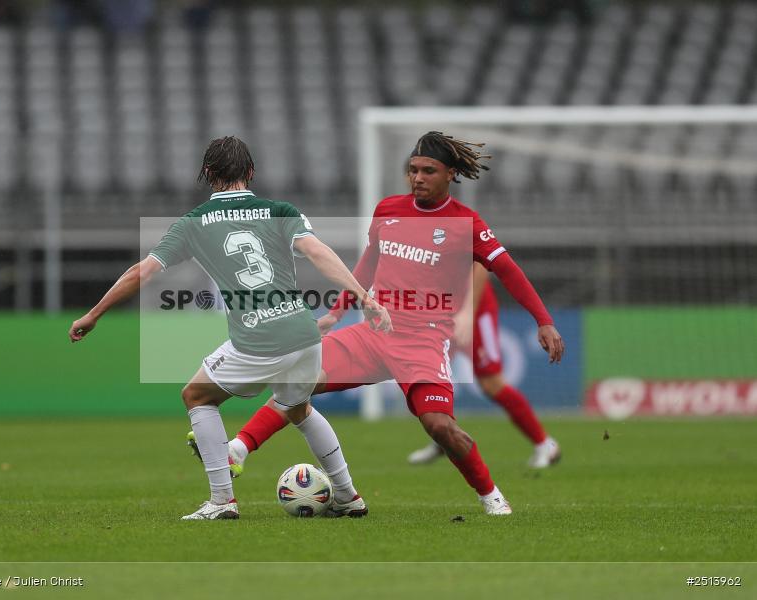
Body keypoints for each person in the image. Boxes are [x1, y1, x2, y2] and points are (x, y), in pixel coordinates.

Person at [211, 131, 565, 517]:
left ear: (450, 174)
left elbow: (507, 270)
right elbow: (368, 265)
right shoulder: (388, 210)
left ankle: (491, 495)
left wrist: (543, 321)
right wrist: (336, 313)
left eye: (428, 171)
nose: (418, 178)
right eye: (413, 170)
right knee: (297, 379)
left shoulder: (466, 223)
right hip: (374, 333)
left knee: (439, 426)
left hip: (423, 341)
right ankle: (238, 449)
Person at [69, 136, 391, 520]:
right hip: (305, 334)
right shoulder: (280, 210)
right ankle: (348, 495)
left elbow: (142, 272)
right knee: (298, 409)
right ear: (250, 172)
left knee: (196, 396)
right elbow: (318, 253)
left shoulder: (192, 224)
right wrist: (364, 297)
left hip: (259, 338)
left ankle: (222, 500)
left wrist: (94, 314)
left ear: (207, 173)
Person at [407, 262, 561, 467]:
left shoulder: (463, 238)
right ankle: (444, 440)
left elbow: (479, 265)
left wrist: (469, 312)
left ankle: (545, 444)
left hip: (475, 309)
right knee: (430, 375)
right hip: (442, 306)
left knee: (491, 383)